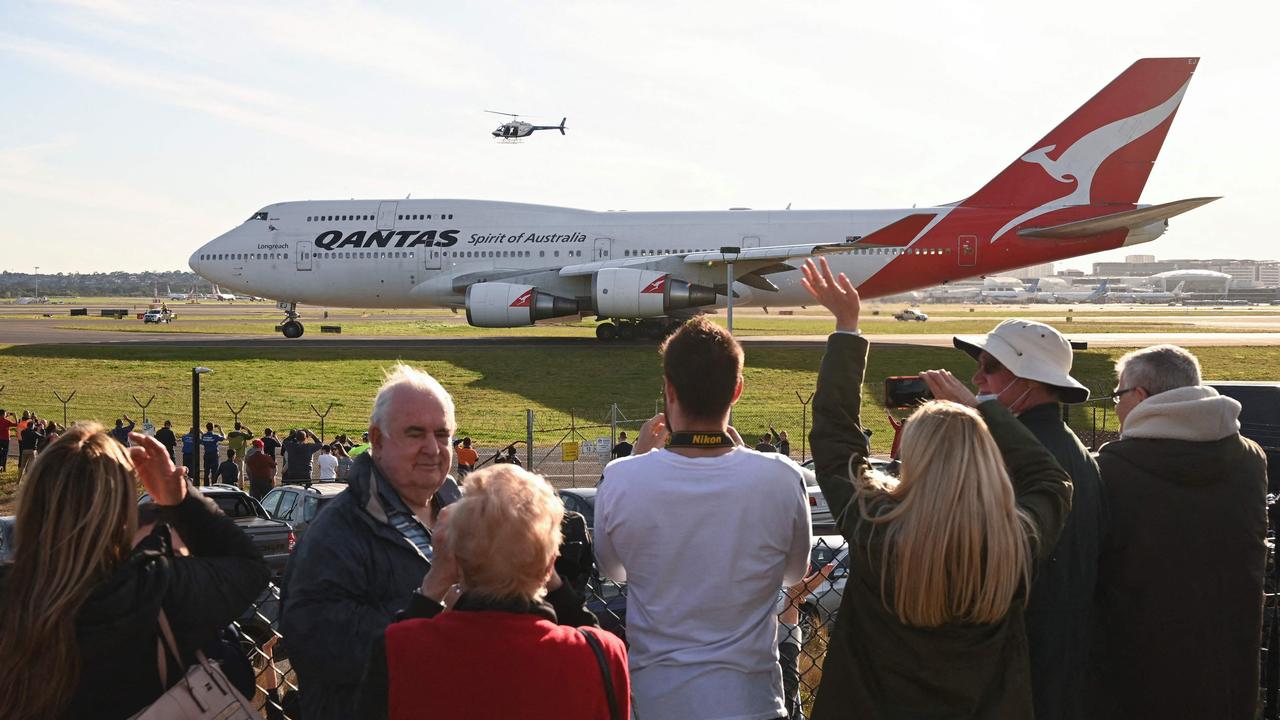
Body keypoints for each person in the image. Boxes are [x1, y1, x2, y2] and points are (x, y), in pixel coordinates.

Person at [800, 258, 1071, 719]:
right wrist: (984, 409)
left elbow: (834, 438)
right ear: (987, 460)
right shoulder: (1014, 542)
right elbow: (1049, 480)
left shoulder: (878, 526)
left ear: (914, 459)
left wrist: (848, 328)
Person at [595, 316, 812, 720]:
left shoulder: (622, 478)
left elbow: (614, 570)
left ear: (669, 390)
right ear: (738, 390)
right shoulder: (782, 477)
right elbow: (793, 572)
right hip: (754, 703)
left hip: (657, 703)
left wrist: (639, 460)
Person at [0, 425, 269, 719]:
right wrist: (178, 497)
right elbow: (249, 566)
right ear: (119, 513)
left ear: (31, 506)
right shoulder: (153, 589)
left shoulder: (11, 594)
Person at [357, 464, 629, 719]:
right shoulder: (601, 655)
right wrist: (545, 566)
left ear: (457, 563)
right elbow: (593, 641)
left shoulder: (402, 650)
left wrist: (435, 581)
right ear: (549, 565)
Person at [1092, 344, 1267, 720]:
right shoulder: (1251, 458)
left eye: (1118, 394)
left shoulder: (1111, 469)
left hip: (1138, 668)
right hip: (1229, 663)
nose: (1116, 406)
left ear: (1140, 396)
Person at [281, 364, 463, 720]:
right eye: (415, 434)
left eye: (442, 435)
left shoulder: (462, 515)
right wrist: (431, 602)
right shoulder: (335, 534)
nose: (432, 448)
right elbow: (318, 649)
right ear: (377, 441)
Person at [953, 319, 1104, 720]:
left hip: (1017, 655)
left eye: (991, 366)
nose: (977, 377)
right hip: (1061, 652)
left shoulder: (1021, 454)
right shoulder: (1073, 450)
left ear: (1029, 379)